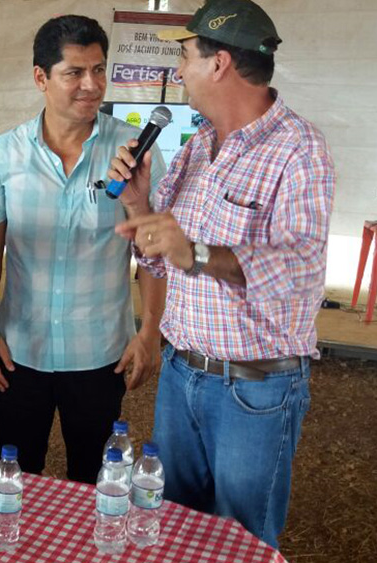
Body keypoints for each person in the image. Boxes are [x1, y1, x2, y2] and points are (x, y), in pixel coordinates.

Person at [109, 0, 334, 548]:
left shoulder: (299, 149)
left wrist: (202, 254)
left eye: (185, 55)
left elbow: (302, 267)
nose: (178, 70)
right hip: (183, 377)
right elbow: (165, 256)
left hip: (253, 389)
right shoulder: (196, 148)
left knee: (242, 542)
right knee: (174, 529)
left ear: (220, 63)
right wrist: (139, 208)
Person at [0, 15, 167, 484]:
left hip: (100, 351)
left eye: (99, 70)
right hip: (20, 349)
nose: (91, 85)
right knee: (18, 473)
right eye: (74, 73)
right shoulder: (4, 153)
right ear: (41, 77)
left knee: (95, 474)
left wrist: (151, 330)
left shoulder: (134, 151)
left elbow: (153, 246)